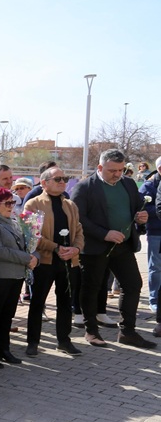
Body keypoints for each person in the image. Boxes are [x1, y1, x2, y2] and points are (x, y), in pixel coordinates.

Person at [71, 149, 154, 349]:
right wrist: (104, 233)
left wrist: (140, 217)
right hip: (95, 248)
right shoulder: (85, 188)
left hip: (122, 246)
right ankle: (91, 331)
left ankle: (127, 332)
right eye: (112, 170)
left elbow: (134, 209)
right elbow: (79, 219)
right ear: (99, 168)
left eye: (121, 169)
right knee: (92, 288)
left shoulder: (128, 183)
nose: (117, 174)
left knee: (133, 284)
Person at [23, 168, 85, 356]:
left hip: (68, 261)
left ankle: (64, 341)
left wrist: (75, 249)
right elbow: (31, 235)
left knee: (65, 302)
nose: (62, 182)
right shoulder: (33, 204)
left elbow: (79, 231)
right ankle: (33, 342)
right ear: (44, 183)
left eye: (64, 179)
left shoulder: (70, 205)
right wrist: (56, 247)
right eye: (57, 179)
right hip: (46, 261)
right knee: (38, 302)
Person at [0, 187, 37, 367]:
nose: (11, 206)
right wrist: (27, 258)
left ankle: (3, 349)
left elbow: (21, 244)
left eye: (13, 202)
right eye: (7, 203)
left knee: (7, 316)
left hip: (16, 276)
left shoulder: (12, 221)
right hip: (1, 276)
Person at [138, 157, 161, 314]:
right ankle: (154, 300)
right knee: (156, 267)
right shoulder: (149, 185)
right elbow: (141, 208)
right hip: (156, 232)